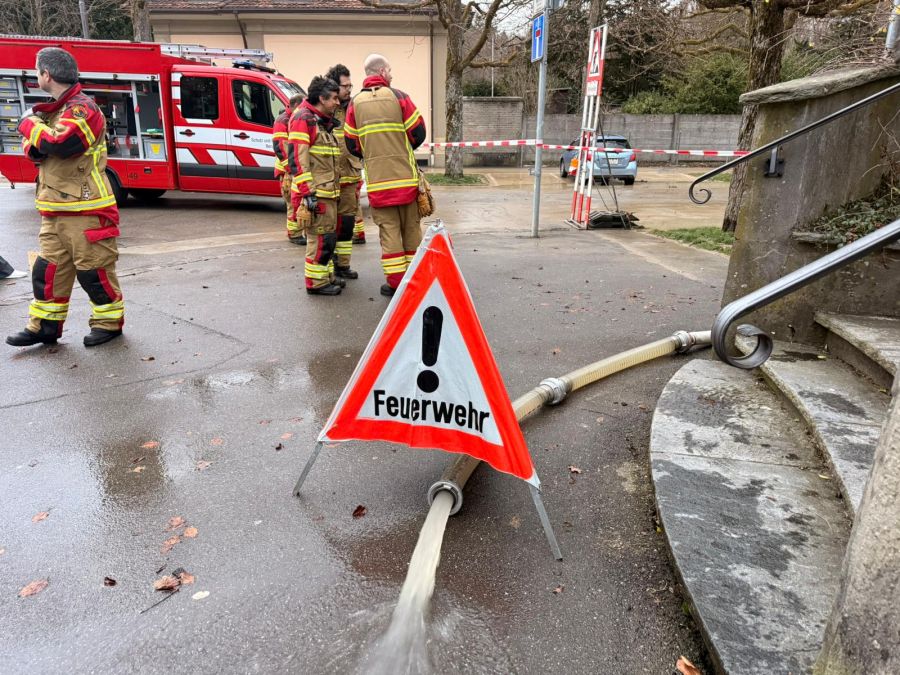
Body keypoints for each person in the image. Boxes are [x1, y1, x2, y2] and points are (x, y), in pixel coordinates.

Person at [7, 47, 124, 348]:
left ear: (46, 74)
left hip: (86, 209)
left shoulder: (82, 109)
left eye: (37, 71)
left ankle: (108, 323)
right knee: (47, 272)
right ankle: (45, 326)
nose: (37, 76)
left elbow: (59, 142)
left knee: (93, 272)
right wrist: (36, 132)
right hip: (55, 209)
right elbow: (35, 150)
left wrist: (28, 124)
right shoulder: (56, 110)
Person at [345, 53, 426, 297]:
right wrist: (401, 150)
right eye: (389, 70)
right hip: (407, 180)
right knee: (411, 230)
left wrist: (372, 153)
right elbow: (419, 131)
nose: (391, 75)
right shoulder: (399, 97)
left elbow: (351, 144)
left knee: (389, 232)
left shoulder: (355, 103)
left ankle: (395, 283)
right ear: (381, 72)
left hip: (379, 183)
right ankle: (416, 281)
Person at [288, 76, 343, 296]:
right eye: (334, 98)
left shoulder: (320, 121)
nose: (338, 103)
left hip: (327, 191)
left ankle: (325, 277)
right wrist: (307, 192)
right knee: (319, 238)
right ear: (322, 98)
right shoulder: (304, 118)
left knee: (327, 237)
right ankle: (316, 283)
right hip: (317, 193)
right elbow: (298, 159)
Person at [325, 63, 360, 280]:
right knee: (327, 227)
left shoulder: (355, 107)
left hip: (350, 175)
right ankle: (327, 268)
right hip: (329, 179)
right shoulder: (325, 107)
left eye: (350, 85)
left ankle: (343, 265)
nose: (349, 89)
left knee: (347, 223)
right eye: (345, 86)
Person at [273, 94, 306, 245]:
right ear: (295, 105)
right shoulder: (283, 120)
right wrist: (291, 169)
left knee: (296, 203)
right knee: (292, 203)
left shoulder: (293, 118)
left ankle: (297, 231)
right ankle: (294, 234)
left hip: (293, 169)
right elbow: (280, 148)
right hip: (287, 171)